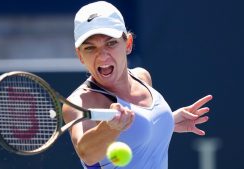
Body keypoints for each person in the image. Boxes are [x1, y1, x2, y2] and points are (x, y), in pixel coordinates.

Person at [62, 1, 213, 169]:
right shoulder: (79, 103)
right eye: (90, 48)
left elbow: (141, 132)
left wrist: (168, 121)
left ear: (128, 44)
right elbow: (87, 154)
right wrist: (109, 128)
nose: (102, 56)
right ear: (80, 55)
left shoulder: (142, 76)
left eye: (111, 43)